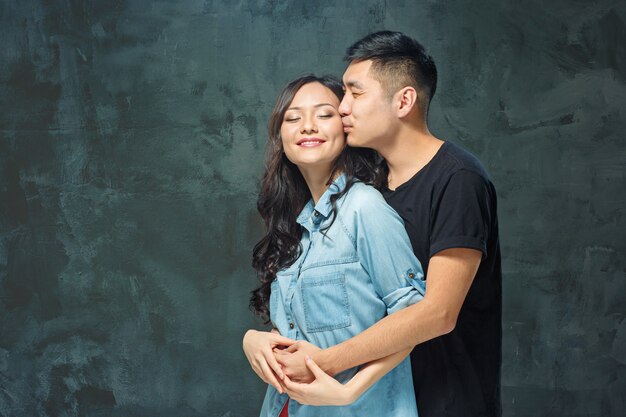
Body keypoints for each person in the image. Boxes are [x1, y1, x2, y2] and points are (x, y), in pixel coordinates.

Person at [272, 31, 503, 417]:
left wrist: (326, 367)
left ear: (404, 101)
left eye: (355, 94)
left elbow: (437, 313)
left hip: (448, 399)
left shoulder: (458, 178)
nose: (343, 108)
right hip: (386, 399)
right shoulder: (373, 187)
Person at [243, 74, 427, 416]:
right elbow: (301, 329)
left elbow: (414, 317)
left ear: (346, 127)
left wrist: (348, 390)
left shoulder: (365, 208)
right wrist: (254, 340)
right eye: (293, 118)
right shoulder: (294, 224)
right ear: (280, 135)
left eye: (324, 114)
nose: (307, 126)